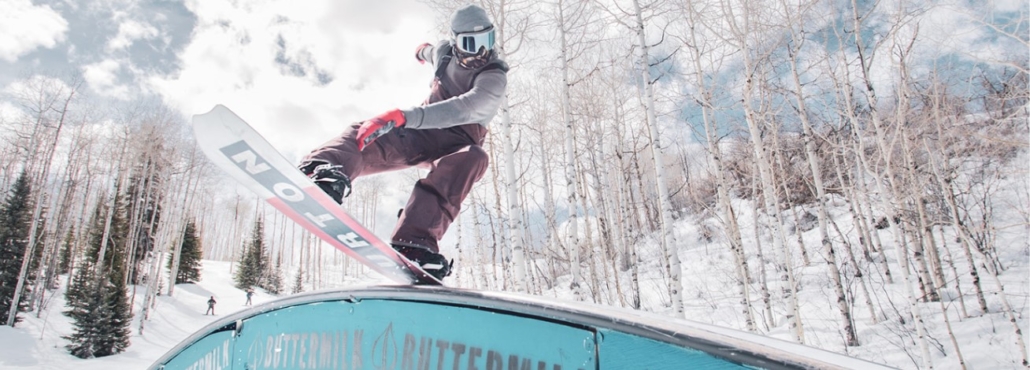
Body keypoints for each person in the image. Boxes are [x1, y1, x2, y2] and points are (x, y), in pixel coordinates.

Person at [299, 4, 508, 281]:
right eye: (473, 43)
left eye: (488, 41)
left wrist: (404, 116)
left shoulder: (494, 76)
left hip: (458, 141)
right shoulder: (444, 53)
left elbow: (463, 108)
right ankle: (325, 170)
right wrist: (420, 51)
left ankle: (415, 242)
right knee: (367, 132)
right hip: (422, 135)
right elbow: (430, 51)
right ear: (456, 42)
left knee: (475, 157)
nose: (482, 52)